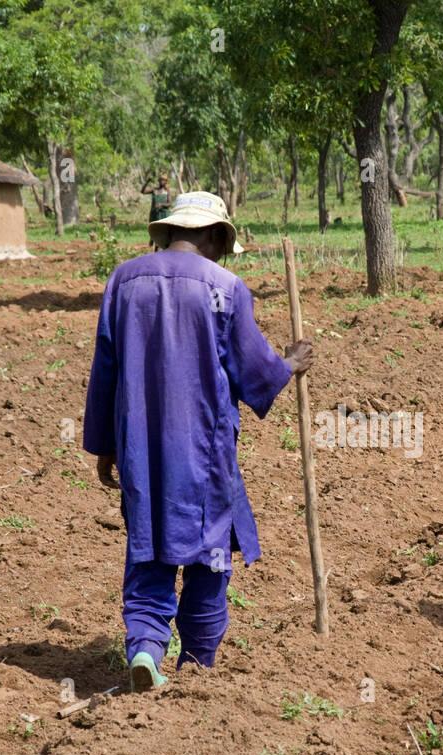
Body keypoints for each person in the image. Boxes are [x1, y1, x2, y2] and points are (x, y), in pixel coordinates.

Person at [83, 191, 314, 691]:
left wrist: (105, 444)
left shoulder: (123, 281)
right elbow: (253, 370)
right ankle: (198, 665)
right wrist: (290, 364)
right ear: (212, 236)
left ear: (169, 232)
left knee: (149, 545)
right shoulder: (226, 288)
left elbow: (106, 370)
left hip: (139, 448)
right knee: (209, 553)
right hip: (204, 451)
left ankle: (145, 648)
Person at [140, 173, 174, 244]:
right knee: (154, 231)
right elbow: (142, 191)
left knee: (164, 232)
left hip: (164, 215)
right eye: (160, 180)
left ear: (165, 182)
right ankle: (154, 248)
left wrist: (161, 204)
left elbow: (170, 203)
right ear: (158, 181)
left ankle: (165, 246)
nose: (161, 181)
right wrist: (147, 181)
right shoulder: (154, 190)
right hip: (155, 214)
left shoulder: (167, 191)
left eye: (163, 180)